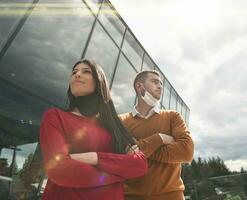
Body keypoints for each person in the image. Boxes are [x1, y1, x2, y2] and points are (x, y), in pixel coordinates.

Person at [39, 59, 147, 200]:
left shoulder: (113, 127)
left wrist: (94, 157)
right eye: (74, 72)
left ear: (99, 81)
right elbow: (59, 169)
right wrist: (119, 174)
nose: (77, 75)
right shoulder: (55, 116)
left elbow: (139, 164)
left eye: (86, 71)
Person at [119, 70, 194, 200]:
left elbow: (186, 151)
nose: (160, 86)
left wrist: (139, 149)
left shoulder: (173, 116)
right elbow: (122, 157)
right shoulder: (121, 121)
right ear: (139, 86)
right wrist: (160, 138)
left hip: (172, 196)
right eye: (154, 82)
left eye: (161, 83)